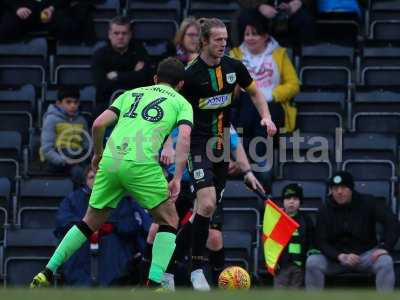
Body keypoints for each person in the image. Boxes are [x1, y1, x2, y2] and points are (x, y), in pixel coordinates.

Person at [30, 57, 193, 291]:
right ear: (181, 84)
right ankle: (154, 284)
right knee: (169, 220)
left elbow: (97, 124)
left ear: (155, 78)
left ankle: (46, 271)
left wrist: (98, 154)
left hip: (111, 160)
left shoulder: (131, 94)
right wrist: (177, 177)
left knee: (89, 222)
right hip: (141, 162)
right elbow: (185, 137)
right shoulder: (181, 102)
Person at [180, 17, 277, 291]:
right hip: (198, 144)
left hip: (221, 144)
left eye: (225, 39)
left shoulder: (234, 67)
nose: (224, 44)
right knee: (207, 204)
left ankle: (170, 262)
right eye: (218, 40)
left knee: (203, 210)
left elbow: (256, 93)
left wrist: (267, 118)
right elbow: (178, 111)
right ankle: (197, 269)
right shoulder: (191, 74)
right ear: (204, 42)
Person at [142, 126, 265, 290]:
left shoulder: (219, 115)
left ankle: (217, 286)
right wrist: (165, 149)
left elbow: (235, 144)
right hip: (178, 181)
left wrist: (247, 171)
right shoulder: (178, 110)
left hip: (206, 181)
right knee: (155, 231)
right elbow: (158, 132)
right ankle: (147, 282)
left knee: (213, 236)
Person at [55, 167, 151, 286]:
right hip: (82, 245)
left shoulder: (120, 198)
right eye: (91, 177)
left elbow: (130, 225)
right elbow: (62, 221)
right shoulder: (73, 199)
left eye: (100, 177)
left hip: (113, 249)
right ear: (85, 181)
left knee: (114, 243)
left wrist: (110, 226)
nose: (96, 180)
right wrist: (89, 227)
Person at [305, 171, 399, 291]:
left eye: (343, 187)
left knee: (385, 261)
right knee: (312, 262)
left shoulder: (368, 202)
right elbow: (321, 241)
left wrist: (384, 247)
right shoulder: (324, 209)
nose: (339, 192)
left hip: (365, 256)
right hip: (336, 259)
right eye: (335, 188)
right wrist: (339, 256)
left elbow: (392, 222)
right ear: (331, 191)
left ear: (351, 189)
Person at [92, 16, 151, 114]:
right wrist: (133, 74)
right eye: (116, 33)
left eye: (124, 33)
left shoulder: (140, 52)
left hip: (137, 103)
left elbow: (144, 80)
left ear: (130, 34)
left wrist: (117, 76)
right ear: (109, 35)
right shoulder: (100, 55)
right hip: (107, 104)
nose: (120, 37)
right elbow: (101, 85)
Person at [40, 87, 89, 185]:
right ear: (59, 103)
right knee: (78, 172)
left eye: (76, 102)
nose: (73, 105)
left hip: (77, 157)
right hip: (57, 159)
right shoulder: (51, 119)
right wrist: (64, 161)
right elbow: (46, 149)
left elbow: (87, 145)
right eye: (68, 102)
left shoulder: (82, 120)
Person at [272, 183, 314, 289]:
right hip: (281, 265)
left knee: (296, 292)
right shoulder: (276, 219)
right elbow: (270, 243)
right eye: (288, 198)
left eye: (295, 198)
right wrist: (273, 261)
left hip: (299, 264)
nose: (291, 201)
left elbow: (311, 240)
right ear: (283, 201)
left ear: (300, 202)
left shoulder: (306, 219)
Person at [238, 0, 317, 45]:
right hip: (260, 9)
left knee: (305, 21)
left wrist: (300, 2)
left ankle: (303, 61)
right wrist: (260, 6)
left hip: (293, 10)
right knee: (245, 19)